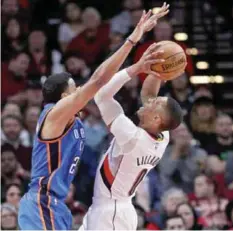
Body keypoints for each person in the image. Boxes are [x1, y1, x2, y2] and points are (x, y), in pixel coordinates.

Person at [18, 8, 166, 230]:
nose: (79, 90)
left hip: (58, 204)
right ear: (64, 97)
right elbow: (98, 81)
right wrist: (133, 40)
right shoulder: (55, 114)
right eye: (74, 89)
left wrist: (144, 70)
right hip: (42, 202)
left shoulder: (72, 122)